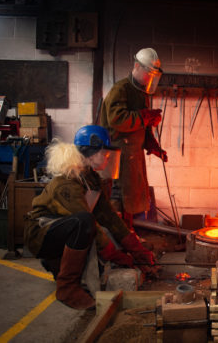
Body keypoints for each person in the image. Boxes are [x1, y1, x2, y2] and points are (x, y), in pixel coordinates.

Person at [24, 125, 157, 310]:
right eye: (105, 153)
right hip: (41, 234)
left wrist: (136, 249)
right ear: (92, 152)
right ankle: (67, 288)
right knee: (86, 223)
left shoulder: (91, 179)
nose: (108, 158)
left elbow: (110, 218)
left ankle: (57, 265)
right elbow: (89, 225)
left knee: (101, 230)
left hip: (64, 231)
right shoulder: (67, 182)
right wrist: (116, 255)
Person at [99, 48, 167, 229]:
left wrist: (153, 145)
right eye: (148, 74)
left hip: (132, 154)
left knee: (130, 198)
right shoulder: (120, 89)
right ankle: (115, 238)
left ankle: (128, 234)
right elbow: (117, 120)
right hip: (117, 155)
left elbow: (142, 127)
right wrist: (146, 116)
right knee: (119, 196)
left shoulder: (141, 92)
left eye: (153, 75)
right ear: (137, 66)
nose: (150, 79)